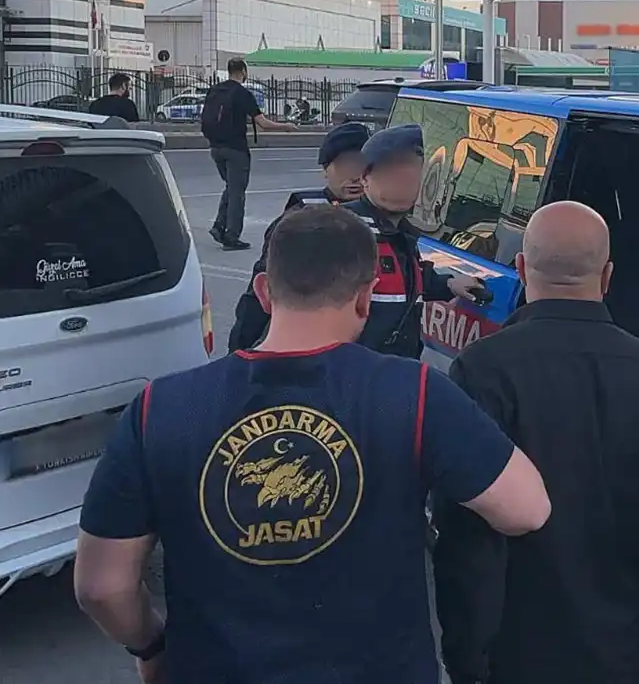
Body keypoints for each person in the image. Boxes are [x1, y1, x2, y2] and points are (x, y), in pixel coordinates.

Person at [73, 205, 551, 684]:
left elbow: (101, 586)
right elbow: (526, 509)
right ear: (365, 298)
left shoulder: (161, 408)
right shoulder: (416, 394)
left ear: (264, 291)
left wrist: (152, 645)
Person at [433, 201, 639, 684]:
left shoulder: (483, 368)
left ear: (520, 268)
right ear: (607, 276)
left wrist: (465, 657)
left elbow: (464, 536)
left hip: (515, 654)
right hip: (621, 651)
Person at [344, 123, 486, 357]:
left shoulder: (401, 232)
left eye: (411, 171)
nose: (402, 181)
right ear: (365, 178)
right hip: (357, 369)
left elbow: (404, 278)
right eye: (391, 172)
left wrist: (448, 284)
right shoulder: (346, 230)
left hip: (394, 366)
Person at [226, 121, 370, 351]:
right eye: (345, 165)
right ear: (325, 170)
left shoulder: (390, 220)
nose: (355, 177)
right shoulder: (300, 221)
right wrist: (241, 352)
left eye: (363, 166)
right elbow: (261, 294)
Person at [201, 58, 296, 251]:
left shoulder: (215, 90)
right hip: (236, 150)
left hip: (215, 148)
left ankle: (219, 226)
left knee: (231, 187)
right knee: (237, 194)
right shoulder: (242, 94)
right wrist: (285, 126)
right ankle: (231, 236)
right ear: (244, 71)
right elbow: (263, 123)